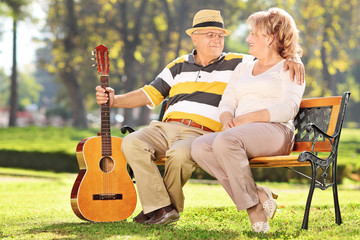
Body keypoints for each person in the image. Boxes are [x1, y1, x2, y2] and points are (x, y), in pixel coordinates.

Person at [95, 9, 304, 225]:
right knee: (131, 142)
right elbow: (148, 93)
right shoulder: (177, 66)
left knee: (180, 153)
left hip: (199, 132)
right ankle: (161, 208)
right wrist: (114, 100)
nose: (217, 39)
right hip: (164, 128)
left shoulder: (238, 63)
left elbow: (273, 56)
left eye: (220, 35)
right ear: (194, 37)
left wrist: (294, 57)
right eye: (210, 34)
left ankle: (160, 211)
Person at [191, 8, 305, 233]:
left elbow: (289, 108)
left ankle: (254, 212)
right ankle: (259, 196)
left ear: (270, 38)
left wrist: (248, 118)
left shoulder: (289, 67)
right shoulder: (244, 67)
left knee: (225, 141)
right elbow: (227, 102)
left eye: (253, 33)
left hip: (276, 131)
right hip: (240, 133)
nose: (247, 38)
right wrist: (227, 119)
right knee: (200, 146)